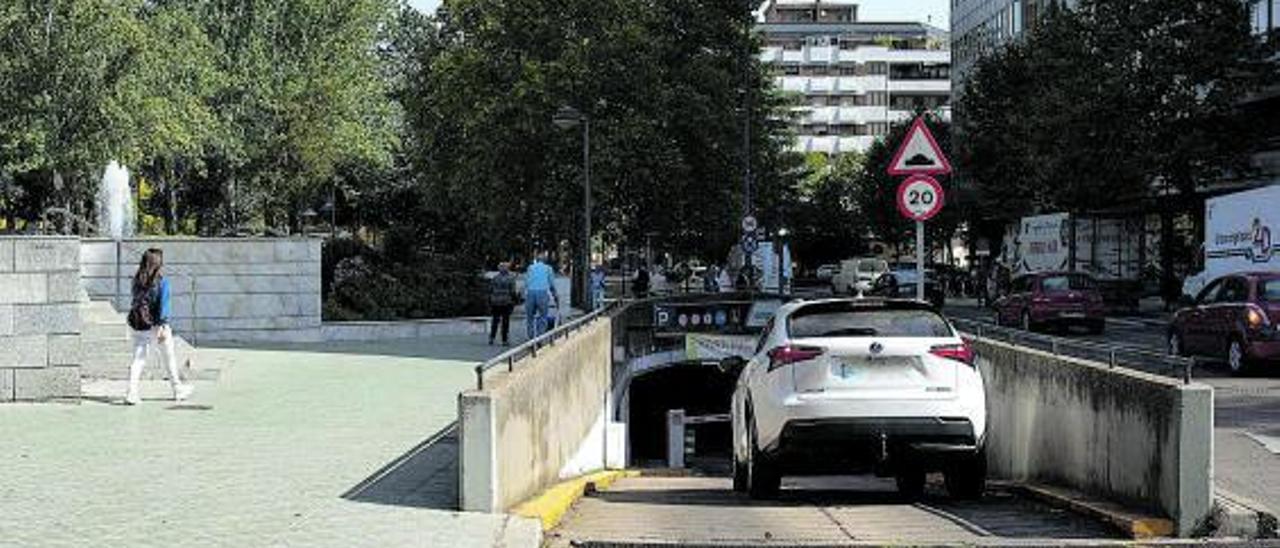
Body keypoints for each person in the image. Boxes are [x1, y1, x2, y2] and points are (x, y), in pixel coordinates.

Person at [123, 248, 193, 405]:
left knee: (138, 359)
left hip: (138, 324)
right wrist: (162, 325)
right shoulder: (162, 282)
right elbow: (164, 306)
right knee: (168, 358)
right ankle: (177, 390)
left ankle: (131, 392)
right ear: (158, 264)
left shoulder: (136, 281)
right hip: (157, 326)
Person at [524, 252, 559, 338]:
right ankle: (540, 337)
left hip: (530, 293)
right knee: (543, 317)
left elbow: (526, 282)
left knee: (530, 317)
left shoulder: (530, 268)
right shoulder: (548, 269)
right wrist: (555, 296)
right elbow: (551, 285)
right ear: (545, 260)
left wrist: (524, 295)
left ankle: (531, 337)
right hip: (542, 293)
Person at [488, 262, 517, 345]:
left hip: (495, 302)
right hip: (506, 302)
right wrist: (515, 300)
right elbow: (512, 291)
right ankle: (504, 340)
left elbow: (490, 290)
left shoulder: (495, 278)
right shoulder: (511, 279)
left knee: (495, 320)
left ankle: (492, 337)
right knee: (505, 321)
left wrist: (490, 300)